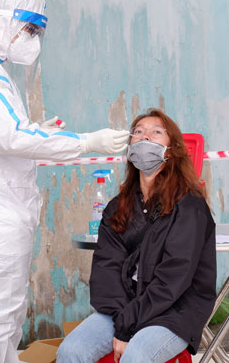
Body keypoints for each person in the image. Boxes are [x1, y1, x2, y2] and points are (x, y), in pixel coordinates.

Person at [0, 0, 129, 363]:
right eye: (30, 29)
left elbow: (1, 134)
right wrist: (85, 141)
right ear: (5, 22)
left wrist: (40, 131)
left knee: (3, 319)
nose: (33, 39)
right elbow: (10, 136)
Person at [57, 109, 217, 363]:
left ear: (172, 149)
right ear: (129, 148)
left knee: (137, 356)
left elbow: (174, 279)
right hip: (123, 307)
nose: (145, 138)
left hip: (174, 309)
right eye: (138, 132)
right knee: (70, 351)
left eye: (156, 132)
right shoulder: (117, 208)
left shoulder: (189, 206)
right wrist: (123, 319)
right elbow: (106, 271)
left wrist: (126, 327)